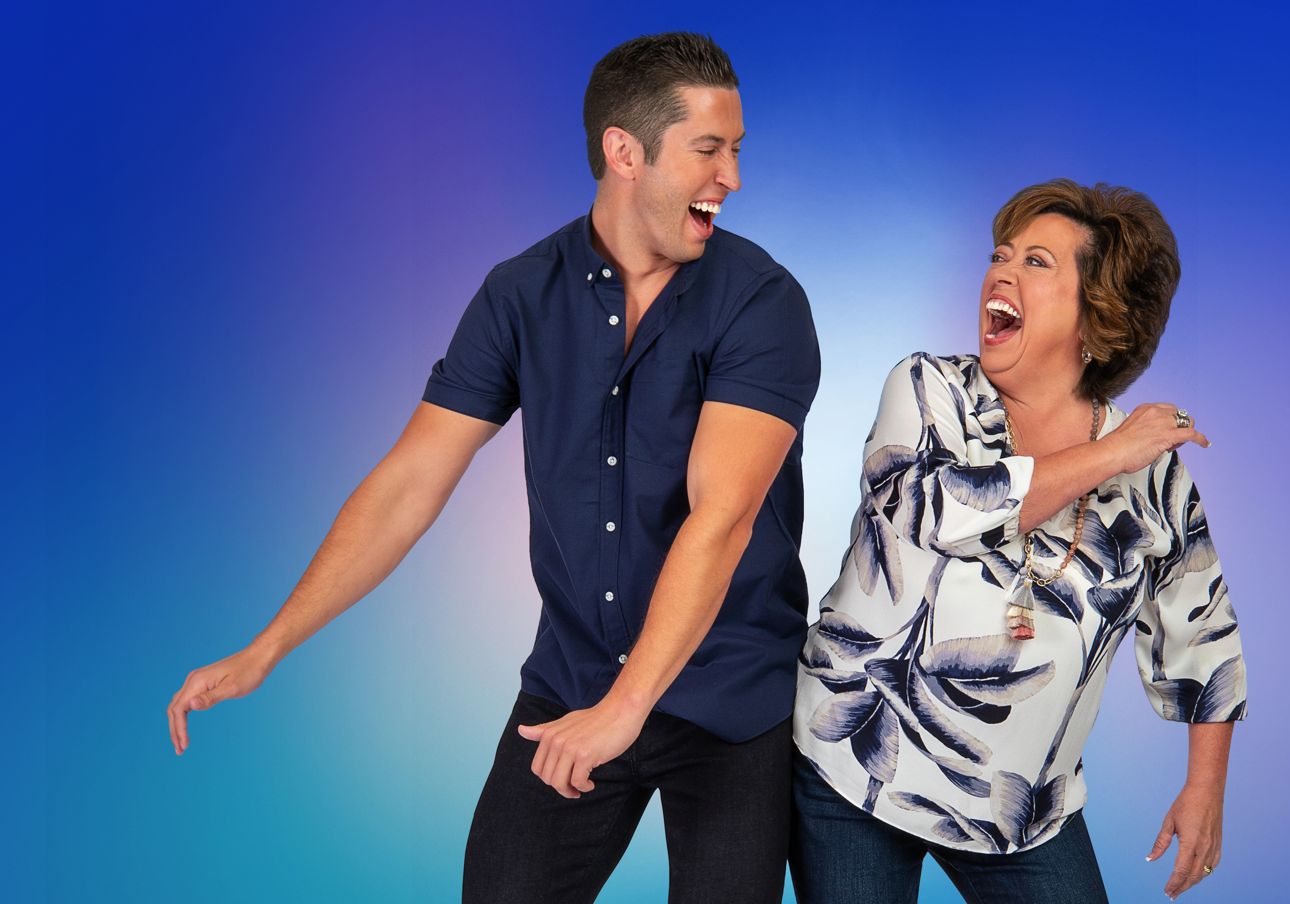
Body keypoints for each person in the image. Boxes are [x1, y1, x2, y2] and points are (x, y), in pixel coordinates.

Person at [167, 33, 821, 904]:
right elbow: (410, 482)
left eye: (736, 149)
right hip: (574, 683)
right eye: (709, 149)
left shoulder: (762, 302)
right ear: (624, 151)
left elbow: (723, 519)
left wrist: (625, 710)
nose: (731, 177)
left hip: (730, 696)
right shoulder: (521, 295)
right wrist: (270, 645)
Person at [789, 179, 1246, 903]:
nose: (1001, 272)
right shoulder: (930, 389)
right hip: (857, 768)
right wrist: (1108, 454)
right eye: (1000, 255)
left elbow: (1203, 631)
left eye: (1036, 262)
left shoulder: (1153, 472)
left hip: (1022, 805)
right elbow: (933, 510)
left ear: (1097, 316)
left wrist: (1205, 788)